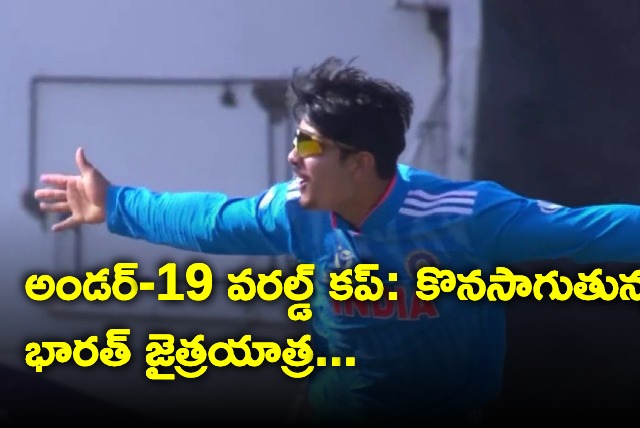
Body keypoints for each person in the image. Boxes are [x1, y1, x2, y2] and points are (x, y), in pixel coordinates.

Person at [34, 56, 640, 426]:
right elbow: (212, 222)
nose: (292, 158)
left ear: (360, 163)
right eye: (296, 140)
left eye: (310, 146)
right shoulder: (294, 212)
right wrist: (115, 205)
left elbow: (585, 232)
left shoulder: (463, 215)